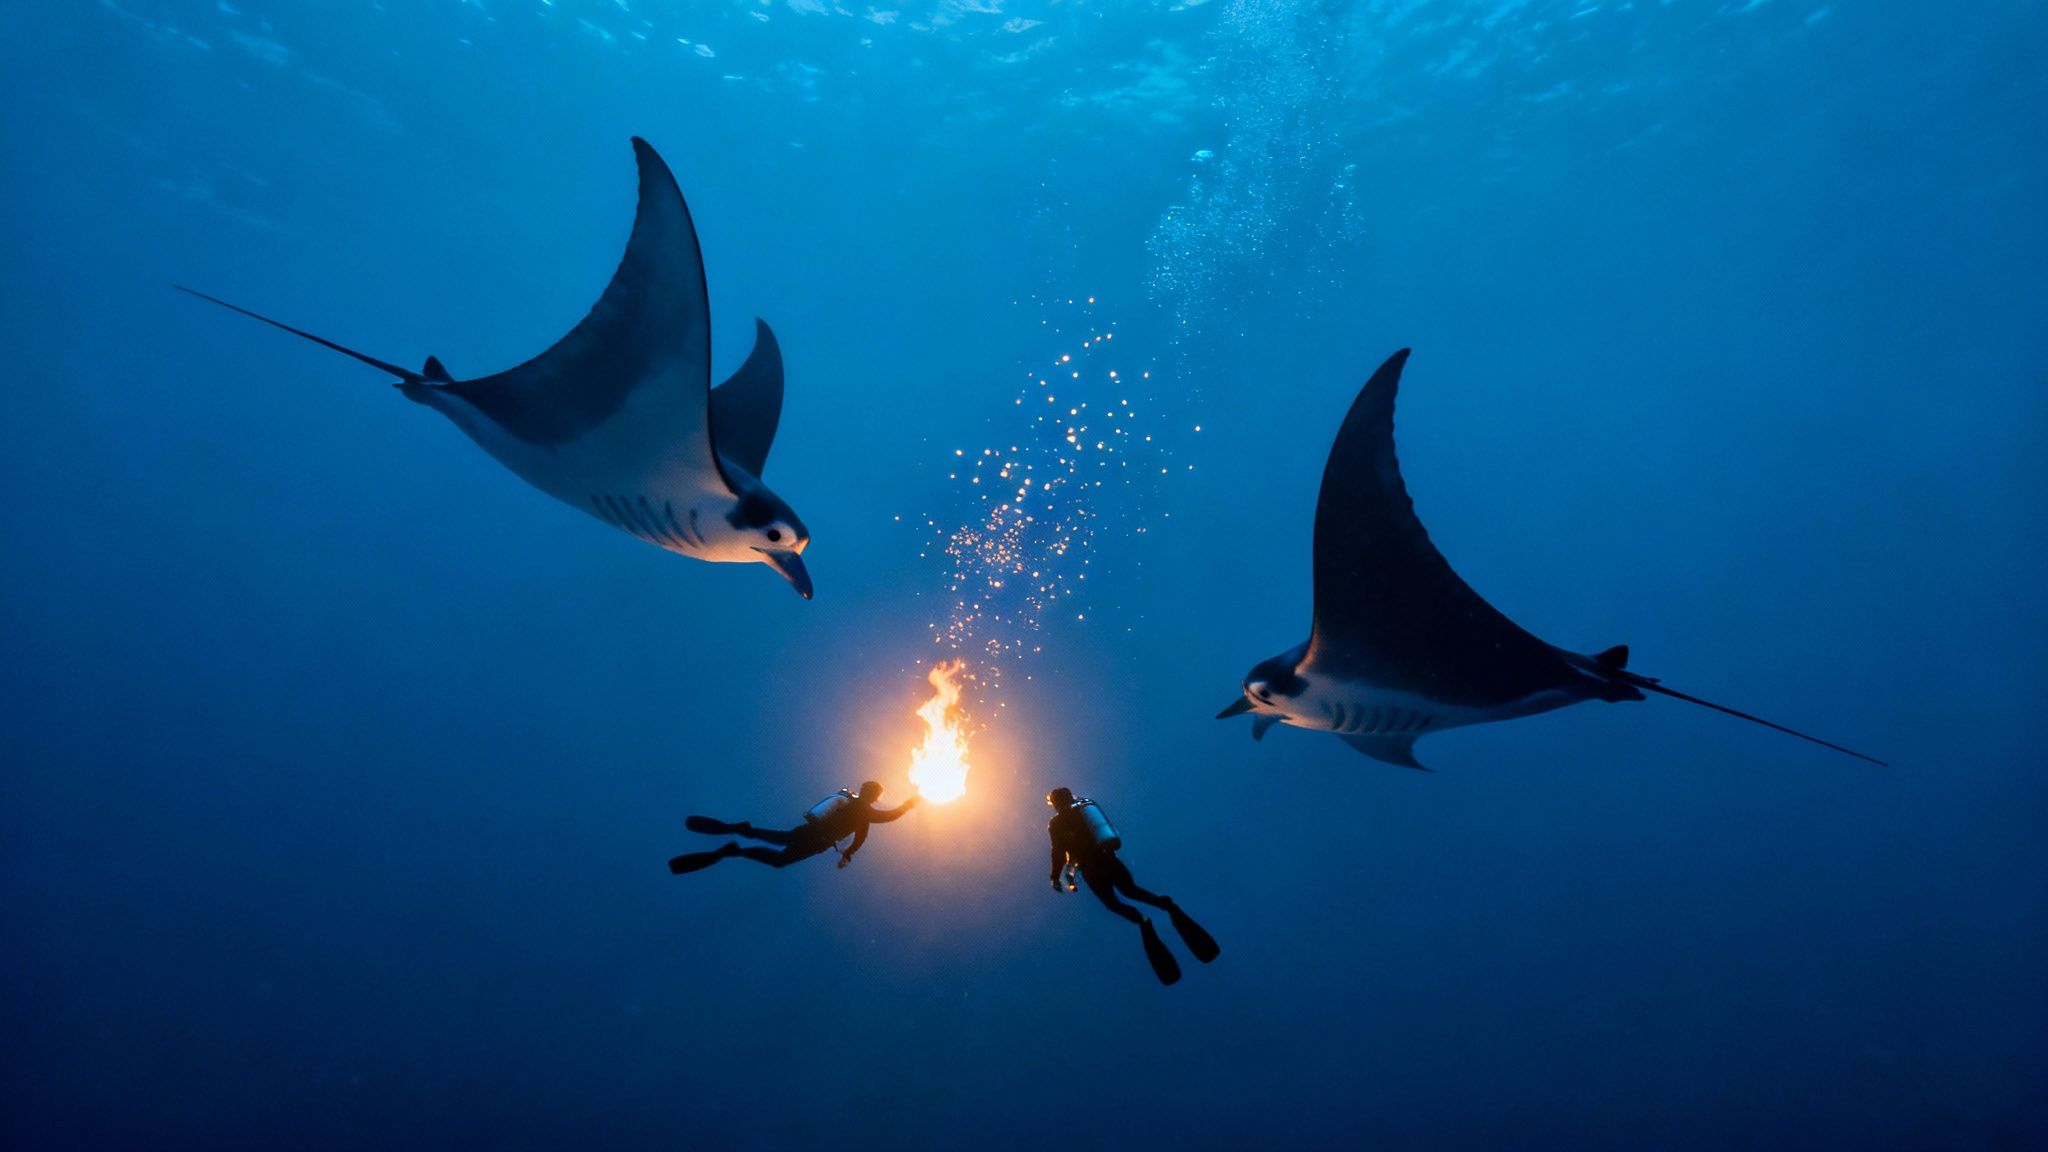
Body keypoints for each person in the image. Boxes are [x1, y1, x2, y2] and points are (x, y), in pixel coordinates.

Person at [1046, 787, 1218, 985]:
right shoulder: (1083, 810)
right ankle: (1167, 905)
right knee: (1131, 890)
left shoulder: (1056, 824)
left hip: (1092, 870)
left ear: (1055, 804)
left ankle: (1142, 920)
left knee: (1113, 903)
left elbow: (1058, 852)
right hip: (1109, 859)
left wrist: (1054, 876)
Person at [668, 781, 919, 874]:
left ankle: (743, 832)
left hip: (810, 835)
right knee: (779, 858)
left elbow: (861, 837)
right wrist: (907, 805)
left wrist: (849, 852)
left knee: (780, 841)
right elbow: (884, 820)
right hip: (816, 841)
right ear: (872, 795)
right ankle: (737, 847)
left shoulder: (860, 810)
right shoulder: (864, 810)